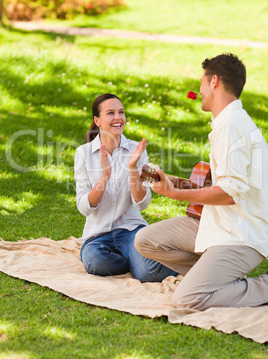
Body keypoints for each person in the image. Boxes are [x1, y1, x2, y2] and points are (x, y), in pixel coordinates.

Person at [135, 53, 268, 309]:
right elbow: (228, 186)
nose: (198, 90)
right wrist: (172, 181)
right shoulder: (226, 123)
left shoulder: (232, 126)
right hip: (219, 224)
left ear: (214, 81)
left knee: (187, 299)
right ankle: (210, 276)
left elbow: (230, 193)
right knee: (145, 240)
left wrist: (175, 193)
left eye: (201, 83)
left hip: (241, 234)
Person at [74, 93, 176, 282]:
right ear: (97, 120)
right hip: (97, 235)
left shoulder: (138, 149)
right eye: (110, 113)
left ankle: (143, 263)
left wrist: (132, 168)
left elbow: (142, 203)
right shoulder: (83, 153)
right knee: (95, 263)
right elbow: (84, 206)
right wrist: (105, 176)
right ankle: (134, 262)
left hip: (132, 230)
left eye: (121, 112)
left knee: (147, 273)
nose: (118, 118)